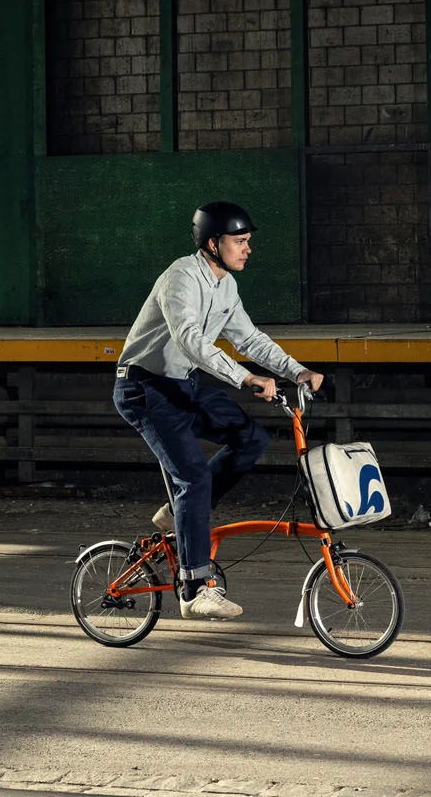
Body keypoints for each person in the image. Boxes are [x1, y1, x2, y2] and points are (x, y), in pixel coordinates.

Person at [112, 201, 325, 620]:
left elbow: (249, 338)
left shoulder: (226, 286)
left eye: (248, 242)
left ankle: (177, 514)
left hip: (183, 386)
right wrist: (245, 379)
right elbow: (190, 338)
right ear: (213, 243)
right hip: (145, 389)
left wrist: (296, 371)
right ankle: (194, 588)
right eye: (239, 242)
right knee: (192, 476)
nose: (248, 250)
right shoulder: (181, 279)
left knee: (250, 438)